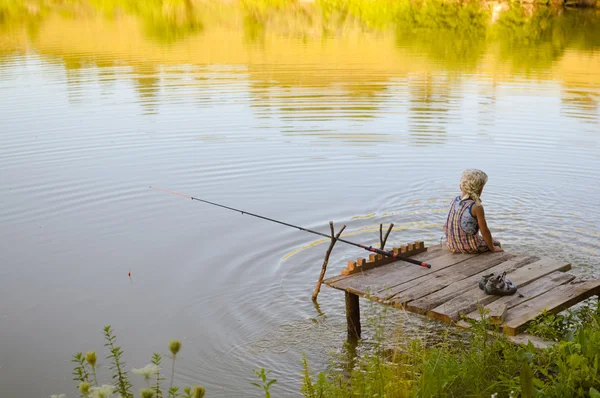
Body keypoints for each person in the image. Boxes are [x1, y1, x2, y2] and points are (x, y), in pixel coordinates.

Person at [443, 169, 503, 254]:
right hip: (470, 247)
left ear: (460, 187)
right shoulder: (476, 207)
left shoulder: (454, 200)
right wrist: (492, 248)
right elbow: (484, 231)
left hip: (451, 245)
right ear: (480, 189)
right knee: (496, 243)